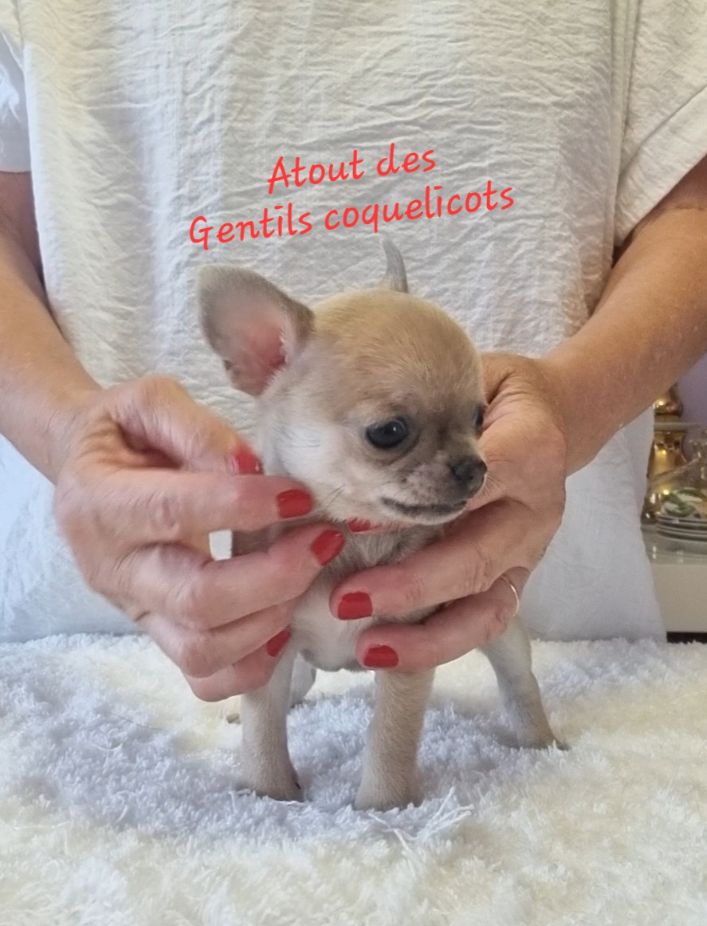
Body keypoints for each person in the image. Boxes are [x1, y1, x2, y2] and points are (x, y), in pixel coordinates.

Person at [0, 1, 706, 701]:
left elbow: (691, 205)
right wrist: (65, 430)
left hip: (561, 606)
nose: (467, 456)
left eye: (476, 420)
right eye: (389, 433)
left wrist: (575, 400)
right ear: (258, 355)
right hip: (93, 632)